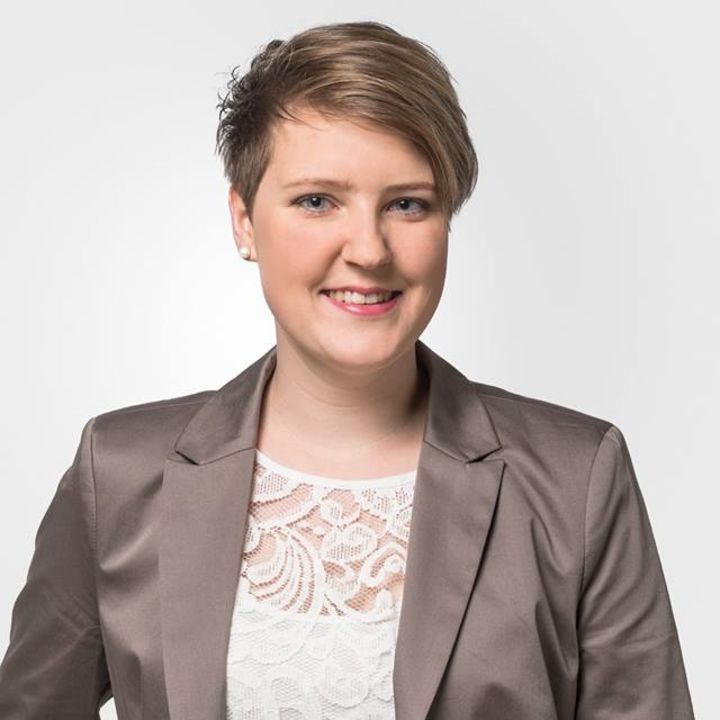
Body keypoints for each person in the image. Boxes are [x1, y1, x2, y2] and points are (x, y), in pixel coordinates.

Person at [0, 20, 695, 720]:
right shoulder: (119, 473)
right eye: (317, 200)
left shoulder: (576, 478)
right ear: (244, 220)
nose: (368, 249)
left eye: (407, 204)